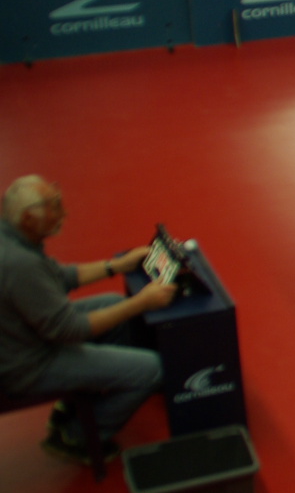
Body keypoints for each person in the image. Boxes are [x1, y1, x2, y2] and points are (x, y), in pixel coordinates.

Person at [0, 176, 177, 464]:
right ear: (29, 219)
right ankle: (77, 436)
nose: (64, 213)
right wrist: (141, 303)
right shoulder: (21, 266)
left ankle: (80, 401)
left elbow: (59, 276)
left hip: (22, 340)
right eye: (54, 207)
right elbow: (70, 329)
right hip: (29, 364)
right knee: (153, 369)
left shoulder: (12, 239)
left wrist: (116, 266)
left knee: (113, 305)